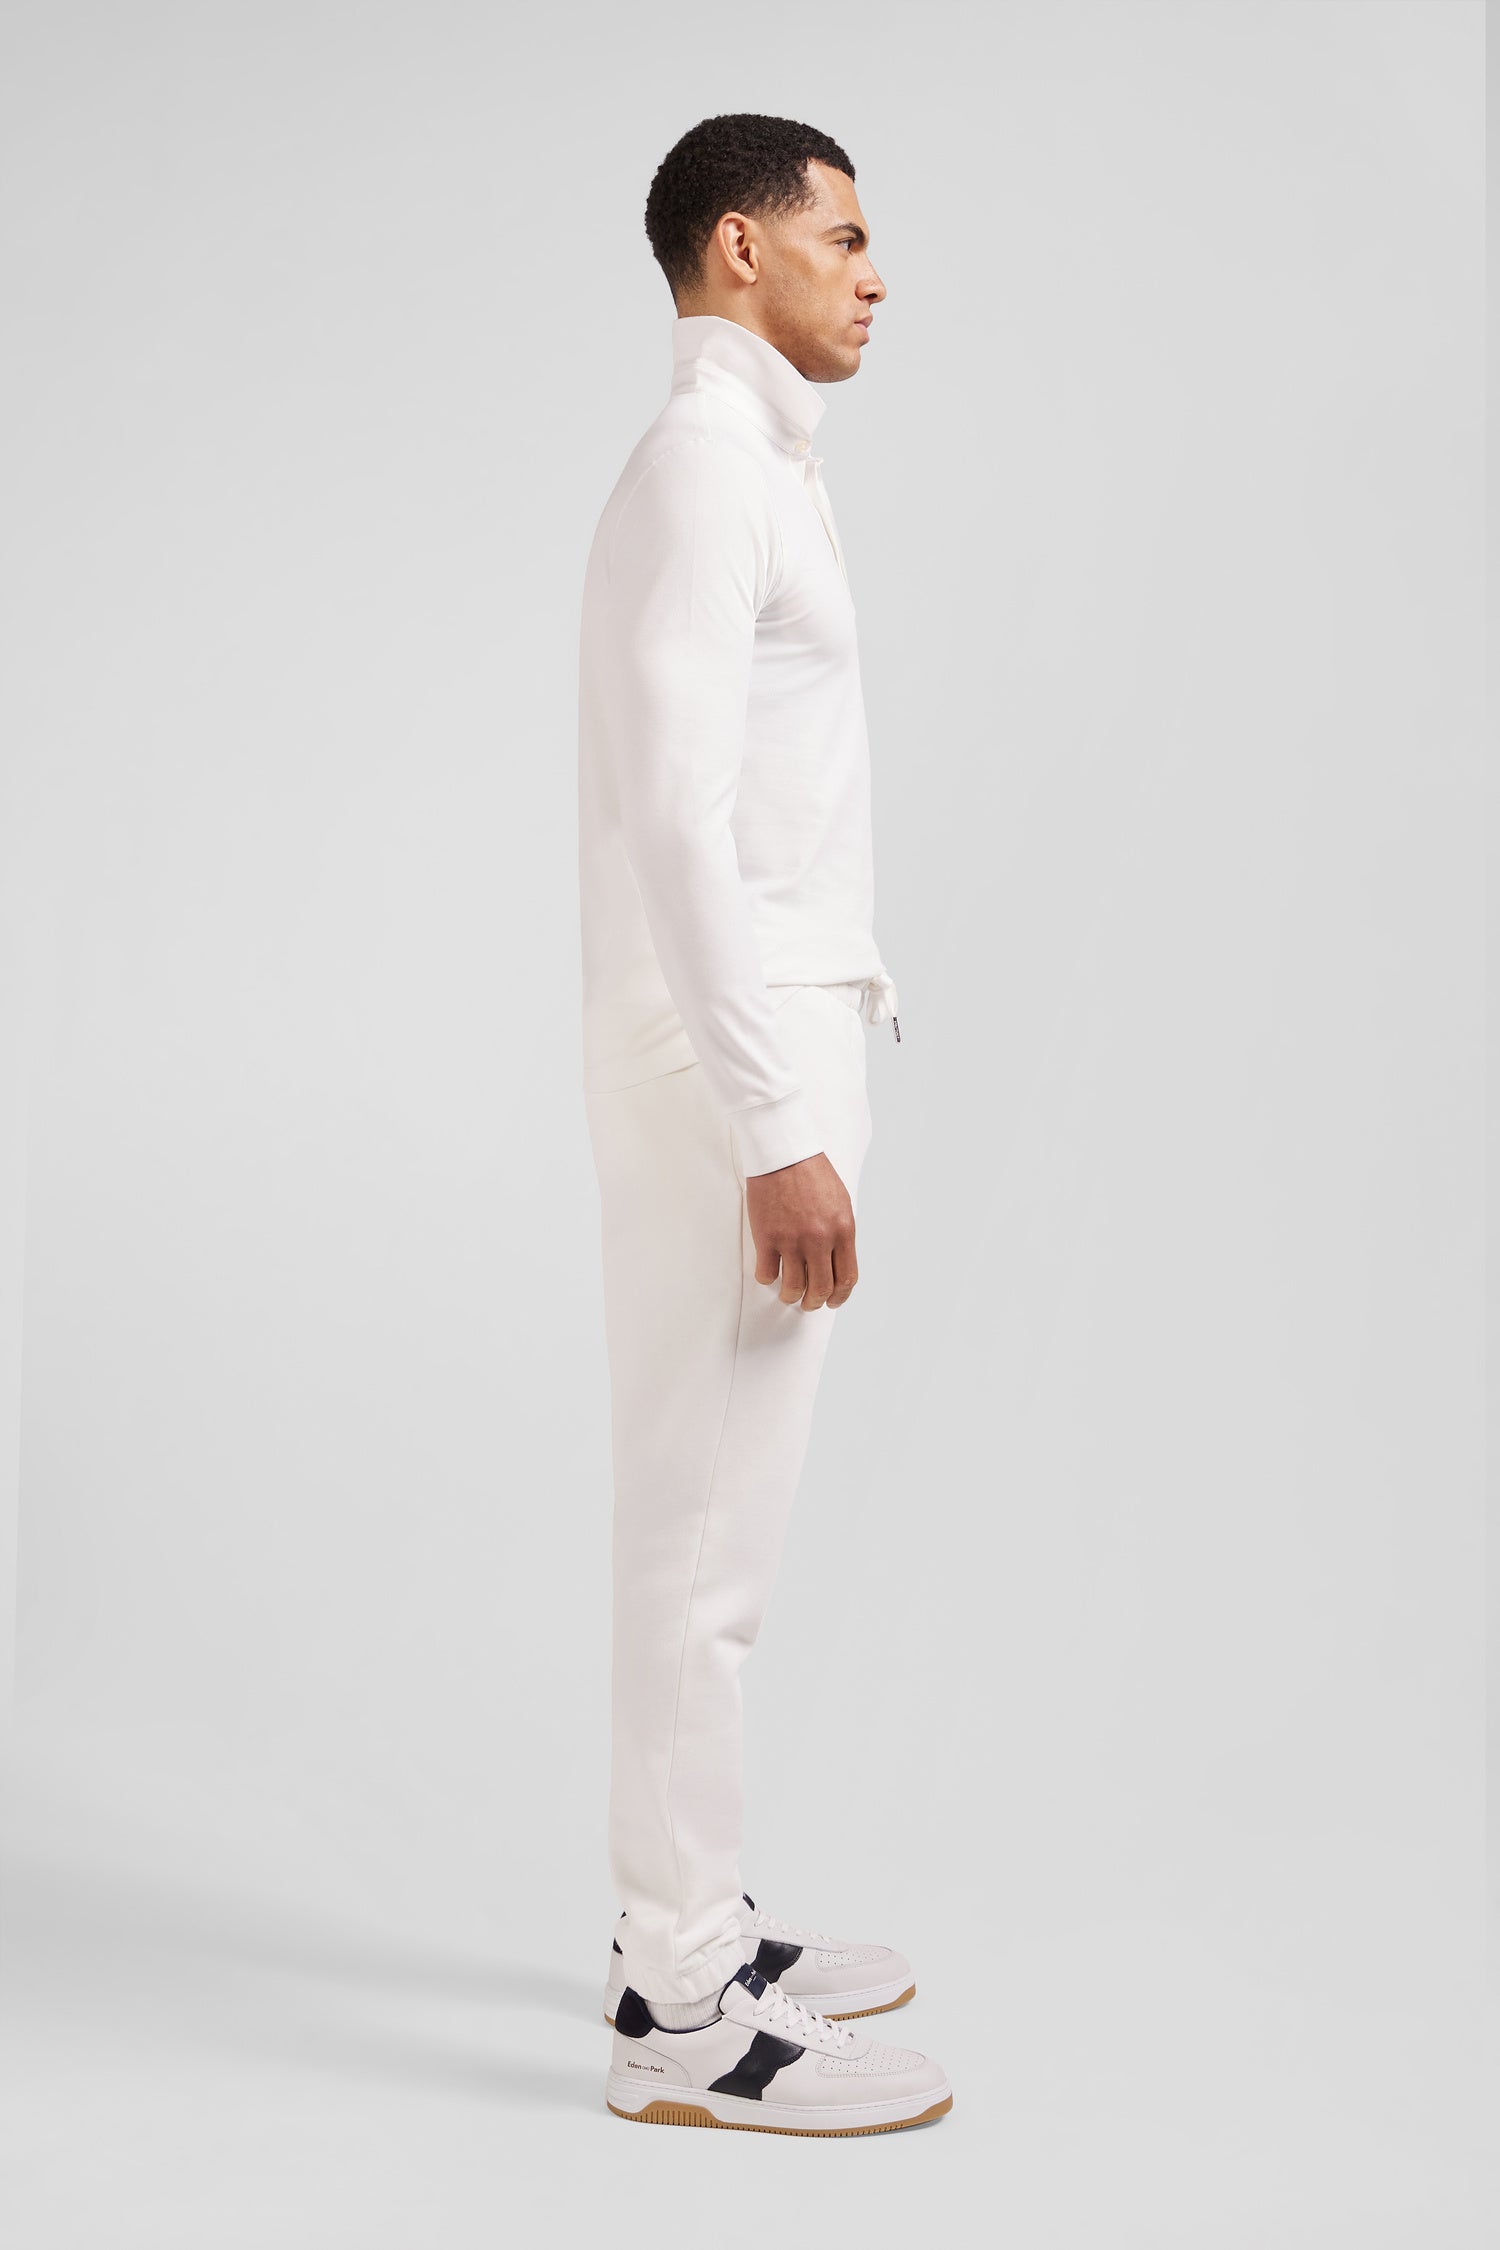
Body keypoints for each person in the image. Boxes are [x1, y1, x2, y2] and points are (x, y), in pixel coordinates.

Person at [577, 112, 951, 2135]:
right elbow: (675, 824)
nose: (878, 274)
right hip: (737, 1063)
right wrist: (770, 1120)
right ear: (741, 249)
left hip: (772, 1038)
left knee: (730, 1520)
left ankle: (698, 1918)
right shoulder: (707, 473)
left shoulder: (759, 466)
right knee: (703, 1533)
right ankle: (678, 2003)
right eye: (847, 237)